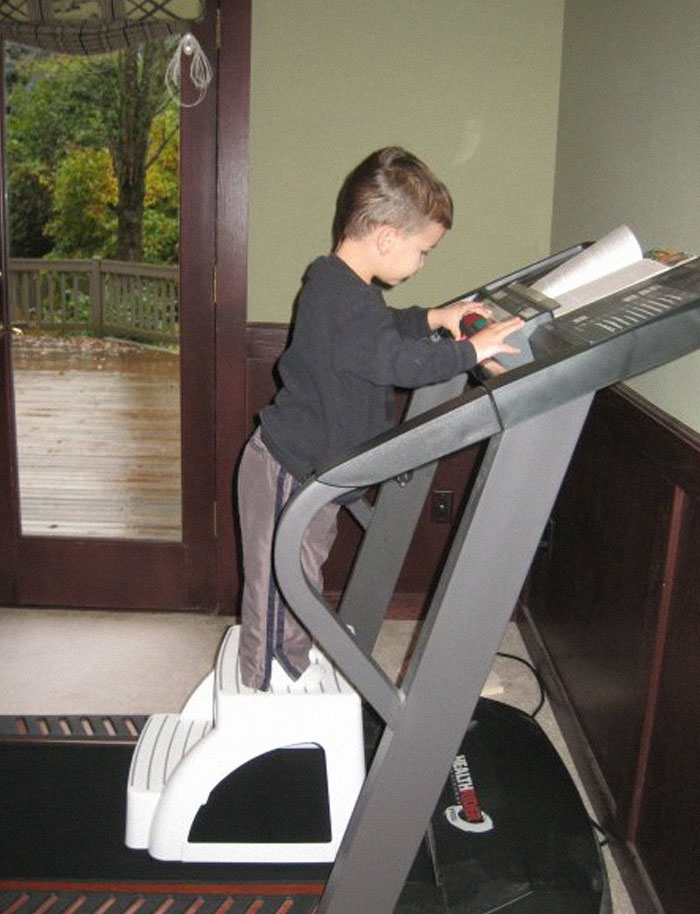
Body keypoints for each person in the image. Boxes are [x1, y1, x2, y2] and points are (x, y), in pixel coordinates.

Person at [237, 146, 523, 692]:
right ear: (387, 237)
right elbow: (397, 361)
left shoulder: (342, 287)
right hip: (288, 470)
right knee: (278, 588)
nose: (421, 265)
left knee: (298, 578)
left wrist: (433, 317)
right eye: (423, 252)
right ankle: (265, 688)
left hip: (314, 469)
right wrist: (470, 351)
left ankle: (288, 663)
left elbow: (382, 333)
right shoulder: (342, 297)